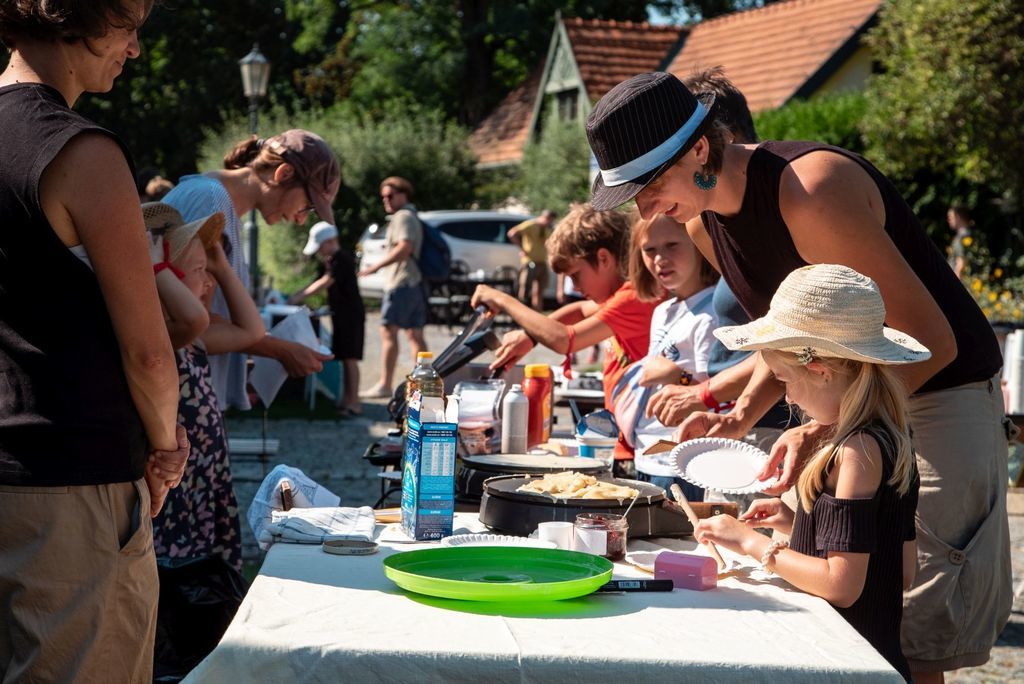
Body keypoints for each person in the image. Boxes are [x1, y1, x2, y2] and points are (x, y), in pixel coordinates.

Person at [586, 71, 1010, 681]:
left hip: (939, 393)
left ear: (700, 150)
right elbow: (786, 339)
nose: (645, 210)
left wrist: (828, 432)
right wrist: (738, 418)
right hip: (856, 410)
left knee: (909, 625)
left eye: (648, 186)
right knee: (819, 599)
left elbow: (928, 344)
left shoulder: (809, 191)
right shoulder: (704, 219)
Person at [0, 3, 189, 680]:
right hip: (68, 483)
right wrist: (167, 444)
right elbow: (148, 350)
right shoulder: (83, 152)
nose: (135, 48)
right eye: (128, 24)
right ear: (71, 18)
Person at [694, 264, 924, 683]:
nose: (787, 397)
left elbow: (842, 585)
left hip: (844, 659)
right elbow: (900, 565)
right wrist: (798, 523)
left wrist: (750, 543)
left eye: (783, 380)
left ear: (820, 370)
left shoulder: (855, 451)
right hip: (880, 656)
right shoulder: (892, 438)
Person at [471, 203, 659, 473]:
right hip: (625, 445)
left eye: (576, 275)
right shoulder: (619, 297)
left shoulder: (633, 297)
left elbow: (565, 340)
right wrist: (529, 336)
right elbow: (579, 311)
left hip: (643, 450)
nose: (577, 287)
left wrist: (501, 299)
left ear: (604, 259)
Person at [163, 129, 340, 410]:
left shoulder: (222, 206)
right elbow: (185, 322)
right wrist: (278, 349)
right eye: (307, 206)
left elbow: (204, 317)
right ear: (283, 174)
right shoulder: (210, 203)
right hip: (180, 400)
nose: (300, 220)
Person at [145, 203, 265, 572]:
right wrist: (155, 268)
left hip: (204, 487)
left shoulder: (195, 341)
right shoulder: (165, 336)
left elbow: (252, 331)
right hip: (174, 495)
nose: (209, 280)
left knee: (207, 583)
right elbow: (193, 318)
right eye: (199, 271)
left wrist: (220, 265)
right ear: (168, 282)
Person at [625, 212, 718, 499]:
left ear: (700, 245)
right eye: (649, 250)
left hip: (682, 460)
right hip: (647, 452)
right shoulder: (663, 311)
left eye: (672, 246)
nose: (660, 259)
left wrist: (678, 376)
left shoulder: (712, 312)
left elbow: (720, 397)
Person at [358, 176, 428, 398]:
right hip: (414, 282)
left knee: (388, 331)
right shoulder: (412, 215)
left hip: (401, 282)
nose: (386, 200)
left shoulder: (403, 217)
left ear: (403, 194)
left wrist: (375, 266)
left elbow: (404, 247)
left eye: (390, 196)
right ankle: (424, 385)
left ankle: (385, 384)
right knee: (415, 334)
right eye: (383, 197)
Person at [290, 221, 366, 416]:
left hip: (351, 315)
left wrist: (301, 295)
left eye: (320, 247)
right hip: (341, 314)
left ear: (330, 241)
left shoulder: (342, 258)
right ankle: (346, 399)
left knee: (350, 358)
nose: (319, 252)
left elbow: (327, 281)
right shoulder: (333, 259)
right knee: (343, 357)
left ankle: (354, 402)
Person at [508, 209, 556, 310]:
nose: (550, 223)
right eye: (549, 220)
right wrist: (522, 249)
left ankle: (537, 313)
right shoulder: (530, 224)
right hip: (530, 262)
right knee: (524, 289)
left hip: (542, 261)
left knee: (539, 291)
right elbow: (512, 233)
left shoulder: (547, 229)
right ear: (544, 217)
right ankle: (520, 313)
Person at [947, 204, 973, 279]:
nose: (948, 220)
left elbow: (960, 261)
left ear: (957, 217)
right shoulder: (970, 234)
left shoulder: (962, 237)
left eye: (950, 217)